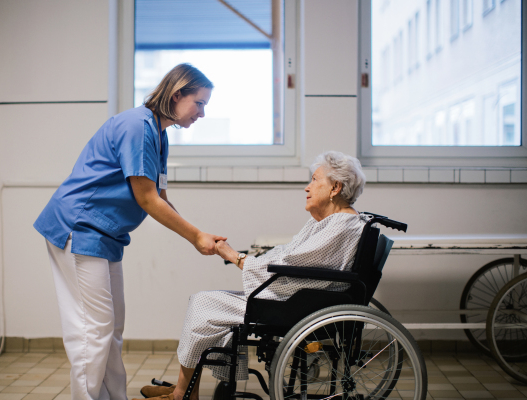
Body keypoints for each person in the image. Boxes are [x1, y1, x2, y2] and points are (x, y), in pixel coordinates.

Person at [33, 63, 226, 400]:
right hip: (79, 229)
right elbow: (147, 199)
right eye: (200, 103)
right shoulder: (137, 127)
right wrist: (197, 237)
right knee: (93, 331)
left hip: (105, 237)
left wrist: (200, 236)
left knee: (111, 329)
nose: (202, 113)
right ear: (177, 93)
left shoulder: (158, 133)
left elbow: (161, 197)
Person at [138, 150, 368, 400]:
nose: (307, 187)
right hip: (298, 297)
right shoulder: (332, 222)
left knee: (203, 304)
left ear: (335, 187)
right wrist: (249, 259)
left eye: (314, 180)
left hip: (295, 305)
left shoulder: (339, 225)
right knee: (208, 306)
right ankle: (186, 388)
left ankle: (182, 393)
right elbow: (290, 257)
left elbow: (290, 263)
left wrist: (235, 257)